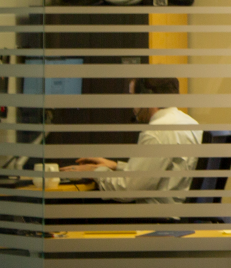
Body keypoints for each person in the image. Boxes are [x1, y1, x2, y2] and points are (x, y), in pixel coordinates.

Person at [62, 76, 201, 202]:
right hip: (181, 218)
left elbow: (126, 191)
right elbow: (161, 174)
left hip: (157, 221)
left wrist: (94, 172)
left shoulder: (156, 132)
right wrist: (116, 167)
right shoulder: (191, 124)